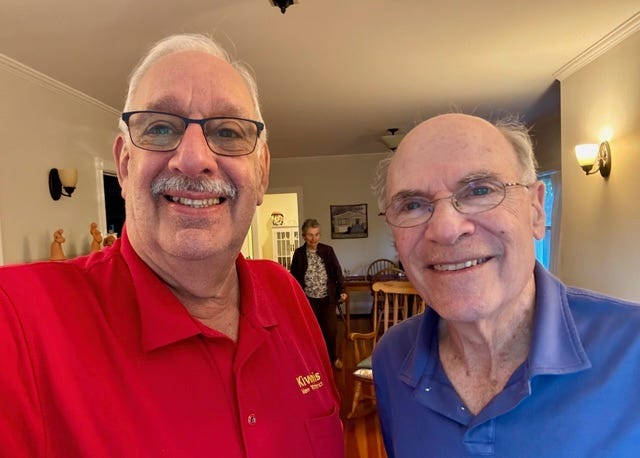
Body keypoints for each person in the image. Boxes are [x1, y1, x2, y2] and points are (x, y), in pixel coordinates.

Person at [0, 34, 343, 457]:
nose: (194, 159)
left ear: (262, 173)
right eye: (160, 128)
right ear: (124, 165)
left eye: (228, 131)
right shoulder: (18, 323)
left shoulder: (284, 292)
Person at [371, 113, 640, 457]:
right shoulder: (393, 358)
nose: (446, 229)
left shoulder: (632, 348)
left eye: (479, 190)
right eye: (412, 205)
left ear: (536, 210)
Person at [290, 219, 347, 370]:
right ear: (304, 236)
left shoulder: (328, 251)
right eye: (310, 235)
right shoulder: (299, 254)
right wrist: (295, 296)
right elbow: (294, 276)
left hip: (327, 298)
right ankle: (313, 360)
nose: (313, 238)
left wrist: (342, 290)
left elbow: (337, 271)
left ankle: (333, 358)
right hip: (308, 300)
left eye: (316, 234)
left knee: (331, 330)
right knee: (309, 331)